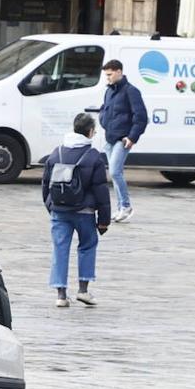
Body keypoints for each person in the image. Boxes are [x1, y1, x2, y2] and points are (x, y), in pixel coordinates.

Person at [41, 113, 111, 308]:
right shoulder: (93, 156)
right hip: (85, 212)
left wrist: (52, 207)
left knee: (60, 249)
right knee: (87, 246)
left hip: (59, 212)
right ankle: (83, 290)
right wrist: (104, 220)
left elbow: (45, 184)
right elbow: (101, 190)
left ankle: (61, 295)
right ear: (89, 132)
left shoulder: (56, 153)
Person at [98, 59, 148, 222]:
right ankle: (121, 207)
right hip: (110, 138)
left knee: (114, 171)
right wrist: (103, 120)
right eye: (106, 75)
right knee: (115, 173)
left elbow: (141, 117)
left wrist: (132, 137)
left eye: (110, 74)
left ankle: (126, 206)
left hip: (123, 139)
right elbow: (104, 109)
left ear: (119, 72)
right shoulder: (109, 91)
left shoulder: (131, 91)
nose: (108, 78)